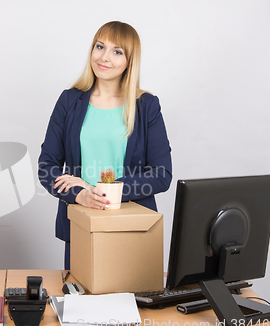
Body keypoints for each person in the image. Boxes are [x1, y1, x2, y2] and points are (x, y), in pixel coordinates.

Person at [38, 21, 172, 269]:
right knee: (81, 301)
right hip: (80, 224)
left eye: (117, 51)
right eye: (100, 47)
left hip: (132, 227)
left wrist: (101, 191)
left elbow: (161, 175)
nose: (104, 57)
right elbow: (47, 166)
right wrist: (80, 195)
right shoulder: (69, 100)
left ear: (129, 61)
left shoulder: (146, 105)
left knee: (132, 304)